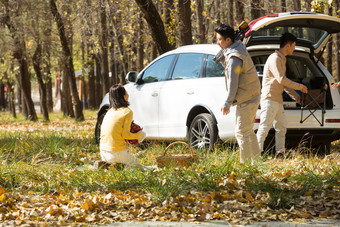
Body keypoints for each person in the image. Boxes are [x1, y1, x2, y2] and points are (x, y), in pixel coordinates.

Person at [215, 24, 261, 163]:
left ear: (228, 40)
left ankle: (246, 166)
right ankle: (257, 163)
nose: (217, 42)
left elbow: (233, 82)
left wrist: (227, 103)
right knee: (247, 131)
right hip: (251, 95)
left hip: (247, 98)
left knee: (241, 132)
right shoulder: (237, 49)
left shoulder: (235, 57)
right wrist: (224, 61)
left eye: (220, 39)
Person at [256, 33, 308, 155]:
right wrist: (300, 87)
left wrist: (295, 95)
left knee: (282, 127)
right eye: (294, 46)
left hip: (277, 100)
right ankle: (255, 156)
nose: (294, 49)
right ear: (288, 46)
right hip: (269, 98)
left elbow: (282, 83)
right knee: (264, 127)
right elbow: (281, 79)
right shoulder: (275, 58)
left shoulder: (282, 59)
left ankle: (280, 153)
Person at [99, 84, 146, 170]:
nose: (128, 94)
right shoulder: (127, 112)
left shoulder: (109, 112)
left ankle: (115, 166)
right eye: (126, 92)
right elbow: (126, 135)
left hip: (103, 153)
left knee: (126, 166)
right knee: (140, 169)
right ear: (123, 96)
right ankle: (124, 167)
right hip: (117, 152)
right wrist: (140, 135)